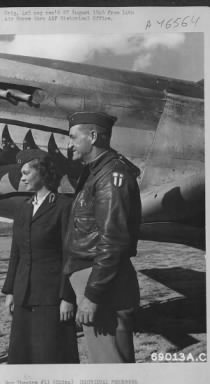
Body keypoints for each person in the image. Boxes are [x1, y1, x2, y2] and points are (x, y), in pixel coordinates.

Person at [63, 111, 141, 363]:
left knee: (110, 366)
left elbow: (113, 240)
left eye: (74, 137)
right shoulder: (95, 173)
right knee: (107, 361)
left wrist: (93, 295)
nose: (69, 144)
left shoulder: (111, 176)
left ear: (93, 136)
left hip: (102, 283)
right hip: (95, 278)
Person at [2, 149, 79, 364]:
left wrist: (68, 297)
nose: (22, 177)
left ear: (42, 173)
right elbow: (15, 253)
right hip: (23, 295)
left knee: (51, 355)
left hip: (52, 298)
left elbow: (70, 254)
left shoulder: (64, 206)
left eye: (26, 172)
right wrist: (10, 291)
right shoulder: (23, 208)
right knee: (22, 356)